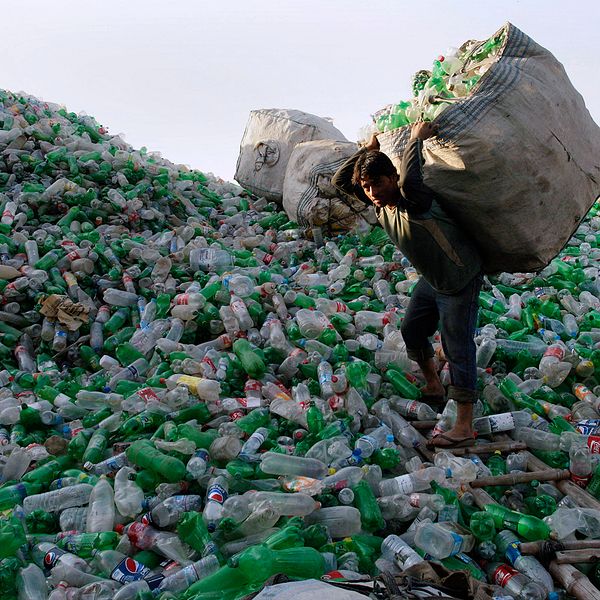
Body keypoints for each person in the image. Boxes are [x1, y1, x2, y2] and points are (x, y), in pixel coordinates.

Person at [332, 122, 483, 448]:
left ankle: (465, 425)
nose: (371, 192)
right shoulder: (378, 203)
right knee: (412, 331)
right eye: (367, 187)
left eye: (377, 184)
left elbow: (412, 175)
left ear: (392, 179)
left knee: (458, 347)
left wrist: (415, 139)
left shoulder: (414, 198)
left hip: (459, 279)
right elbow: (339, 181)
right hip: (433, 280)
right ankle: (433, 385)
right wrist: (367, 151)